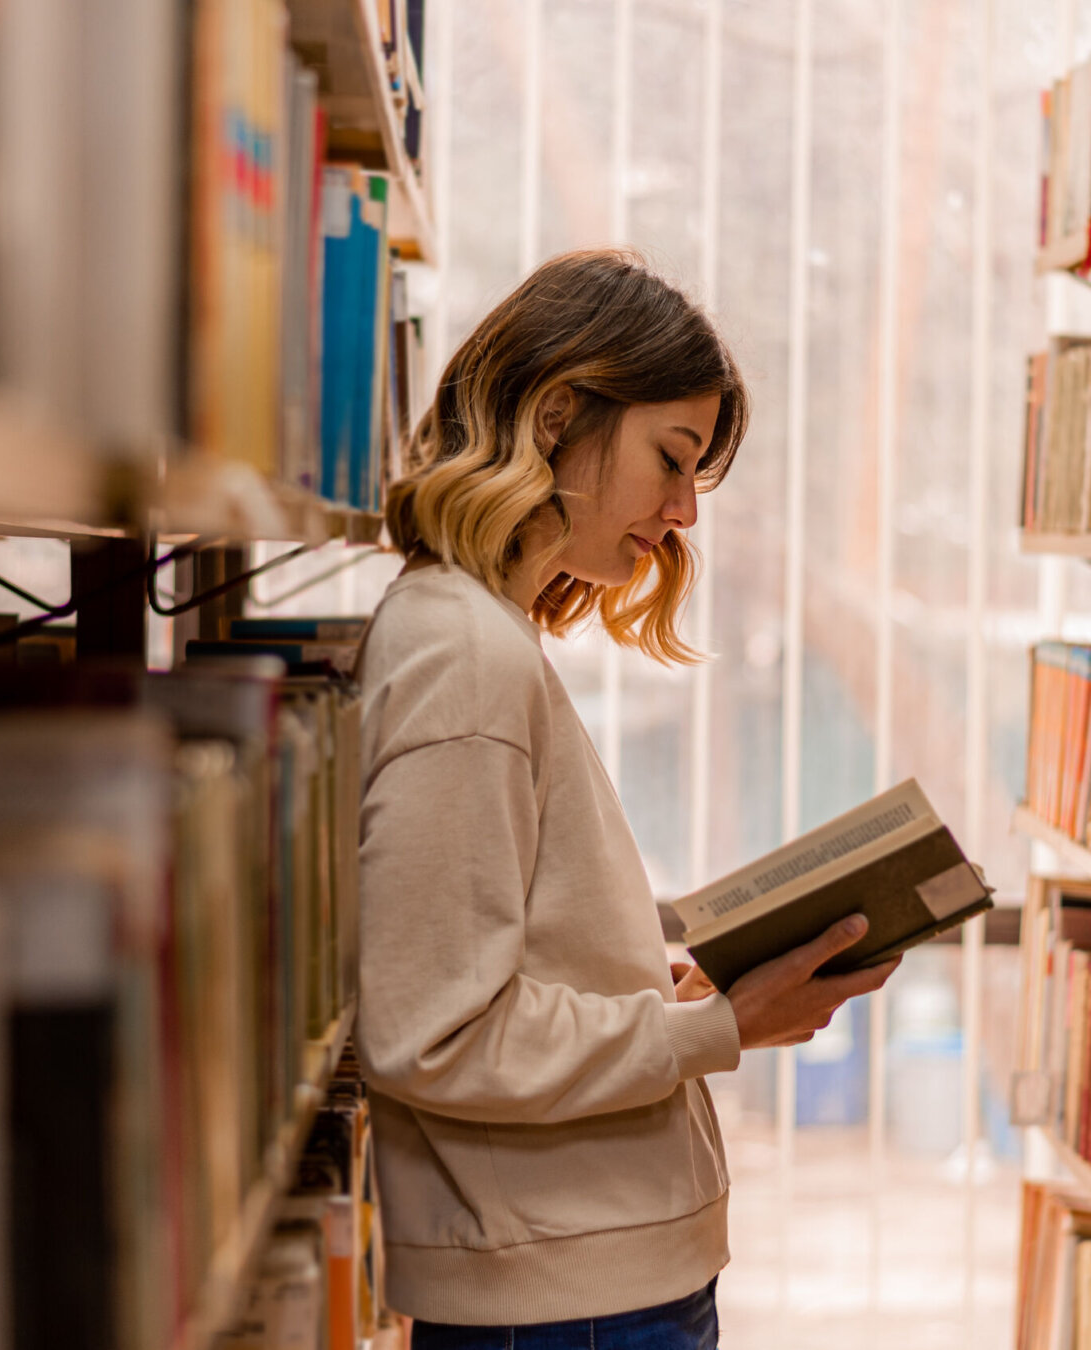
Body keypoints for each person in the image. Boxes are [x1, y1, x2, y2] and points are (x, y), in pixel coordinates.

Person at [355, 248, 900, 1350]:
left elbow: (492, 945)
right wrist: (714, 1030)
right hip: (570, 1304)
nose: (686, 511)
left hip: (586, 1283)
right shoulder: (465, 654)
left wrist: (656, 961)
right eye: (672, 457)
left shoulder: (481, 635)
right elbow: (438, 1033)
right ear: (557, 416)